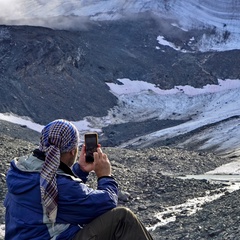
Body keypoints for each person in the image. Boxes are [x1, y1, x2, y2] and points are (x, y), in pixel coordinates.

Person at [4, 119, 153, 240]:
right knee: (122, 218)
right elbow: (105, 203)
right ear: (72, 151)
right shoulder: (59, 185)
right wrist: (105, 176)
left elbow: (64, 196)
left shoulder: (20, 169)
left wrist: (79, 171)